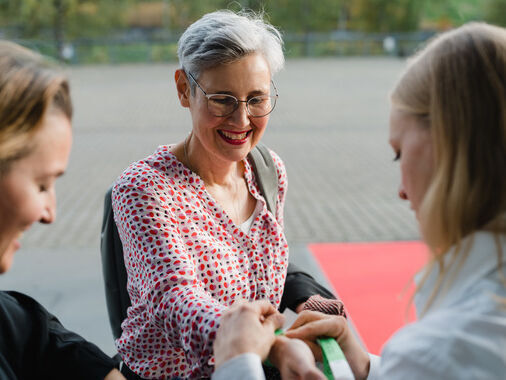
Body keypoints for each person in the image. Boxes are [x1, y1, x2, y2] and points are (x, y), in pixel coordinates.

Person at [212, 22, 506, 380]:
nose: (402, 191)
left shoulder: (446, 349)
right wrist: (367, 366)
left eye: (399, 154)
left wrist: (237, 363)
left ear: (451, 152)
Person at [111, 10, 337, 379]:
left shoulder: (267, 170)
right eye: (222, 99)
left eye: (256, 99)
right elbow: (174, 299)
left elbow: (256, 262)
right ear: (184, 89)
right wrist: (275, 347)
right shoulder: (145, 189)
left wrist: (306, 298)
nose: (241, 120)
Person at [0, 41, 124, 380]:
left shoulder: (15, 321)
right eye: (41, 185)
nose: (50, 213)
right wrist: (237, 364)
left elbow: (41, 338)